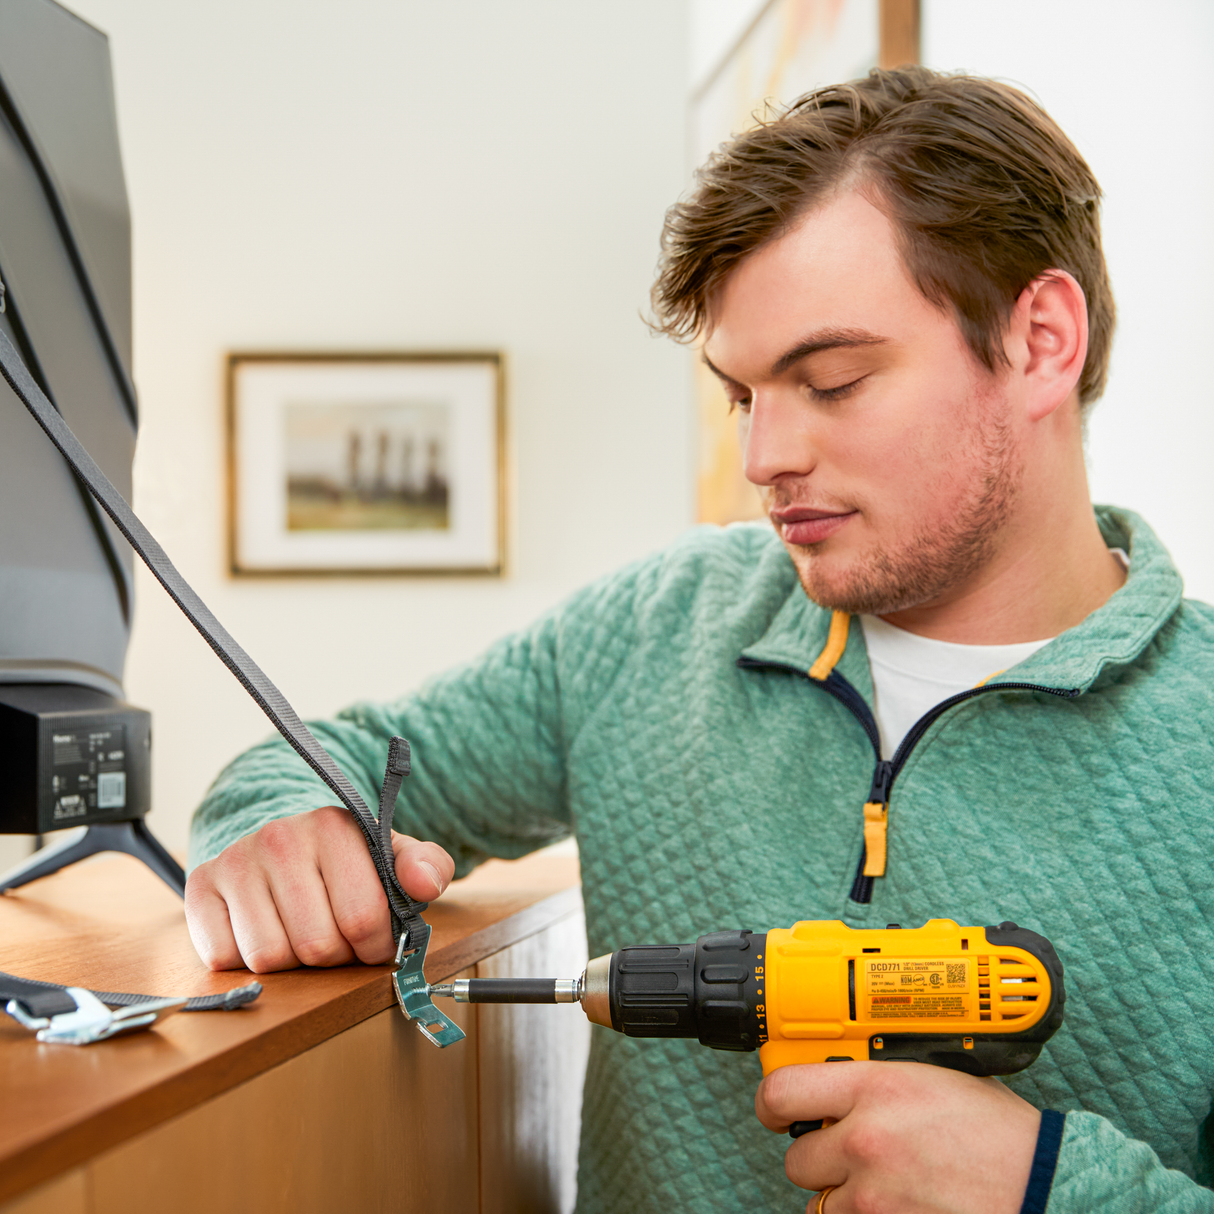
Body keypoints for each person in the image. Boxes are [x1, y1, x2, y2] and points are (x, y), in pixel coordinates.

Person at [186, 66, 1214, 1213]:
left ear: (1038, 340)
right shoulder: (655, 627)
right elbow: (321, 758)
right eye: (742, 395)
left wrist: (1051, 1189)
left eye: (830, 379)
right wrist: (272, 821)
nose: (764, 454)